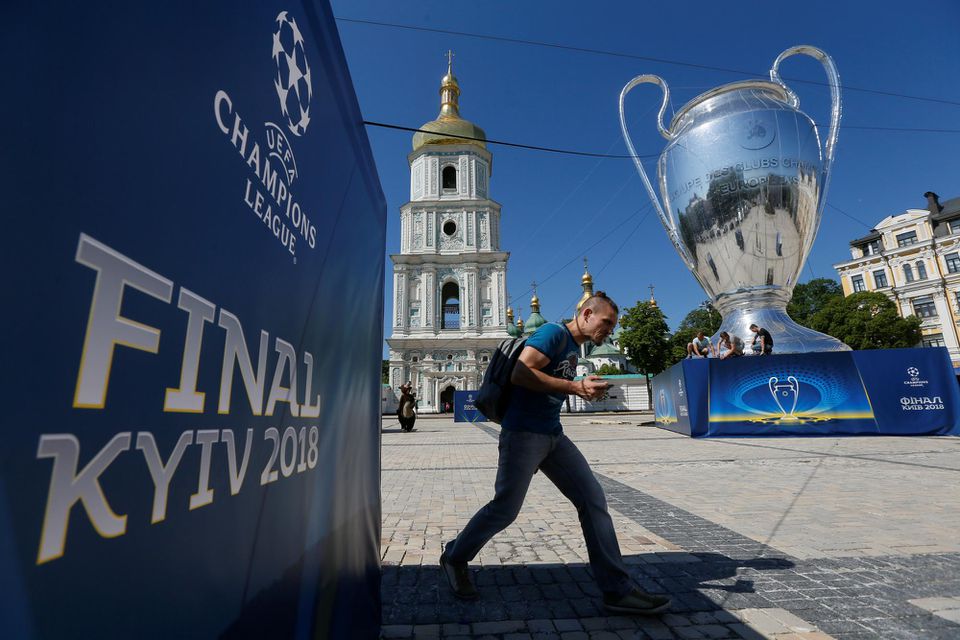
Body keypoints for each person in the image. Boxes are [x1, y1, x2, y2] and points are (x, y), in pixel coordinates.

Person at [440, 292, 671, 615]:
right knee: (505, 510)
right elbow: (521, 373)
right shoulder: (552, 333)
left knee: (592, 500)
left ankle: (617, 590)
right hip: (523, 434)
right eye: (607, 322)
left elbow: (551, 384)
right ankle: (455, 557)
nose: (610, 330)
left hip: (553, 436)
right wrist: (575, 387)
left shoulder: (573, 348)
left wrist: (582, 387)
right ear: (587, 313)